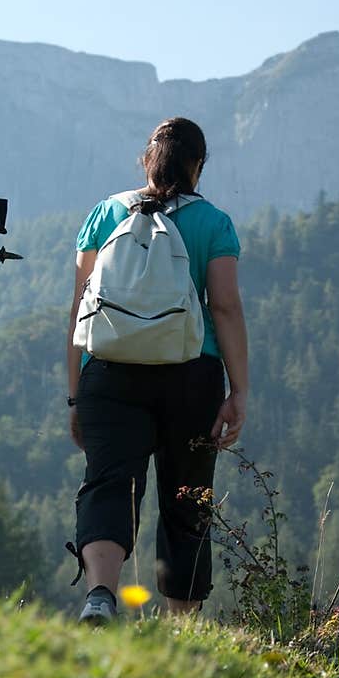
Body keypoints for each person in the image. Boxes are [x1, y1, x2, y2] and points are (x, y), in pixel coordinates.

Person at [67, 116, 249, 622]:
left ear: (146, 161)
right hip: (192, 376)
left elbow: (80, 306)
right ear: (198, 167)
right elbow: (226, 307)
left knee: (108, 483)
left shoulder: (105, 213)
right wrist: (239, 390)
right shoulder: (213, 223)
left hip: (109, 368)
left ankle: (101, 594)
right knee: (186, 498)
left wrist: (75, 392)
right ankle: (181, 623)